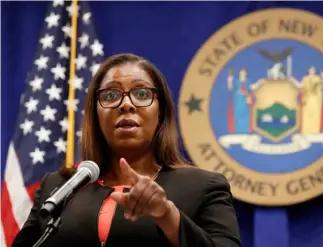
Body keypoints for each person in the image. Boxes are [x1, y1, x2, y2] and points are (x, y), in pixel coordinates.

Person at [12, 53, 242, 247]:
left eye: (142, 94)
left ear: (160, 113)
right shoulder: (57, 187)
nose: (126, 104)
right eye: (110, 95)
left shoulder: (203, 187)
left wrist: (167, 216)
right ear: (96, 115)